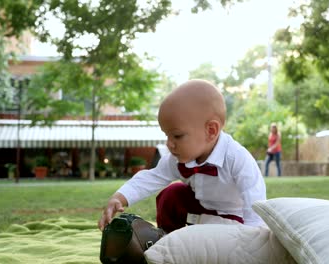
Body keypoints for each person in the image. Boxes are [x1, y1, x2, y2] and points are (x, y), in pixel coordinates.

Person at [98, 79, 266, 233]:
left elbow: (254, 200)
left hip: (233, 219)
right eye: (167, 136)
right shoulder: (178, 158)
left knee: (225, 241)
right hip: (199, 209)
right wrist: (120, 197)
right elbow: (152, 177)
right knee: (172, 193)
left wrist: (251, 236)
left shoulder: (236, 158)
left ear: (211, 131)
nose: (169, 144)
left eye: (177, 136)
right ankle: (167, 237)